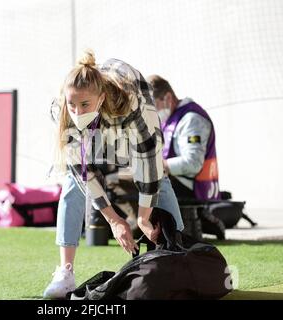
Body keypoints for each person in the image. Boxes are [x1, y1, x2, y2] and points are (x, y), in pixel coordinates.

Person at [44, 50, 184, 299]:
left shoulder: (130, 100)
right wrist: (114, 220)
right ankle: (65, 273)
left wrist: (142, 218)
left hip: (125, 125)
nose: (77, 111)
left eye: (84, 104)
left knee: (160, 179)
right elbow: (82, 173)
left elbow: (149, 161)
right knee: (71, 184)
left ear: (101, 97)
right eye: (72, 104)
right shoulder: (62, 110)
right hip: (98, 133)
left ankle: (181, 256)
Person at [146, 75, 221, 202]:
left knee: (130, 183)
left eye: (152, 106)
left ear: (168, 98)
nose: (150, 112)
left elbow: (193, 163)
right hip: (173, 181)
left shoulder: (192, 119)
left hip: (193, 189)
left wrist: (157, 165)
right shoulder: (168, 118)